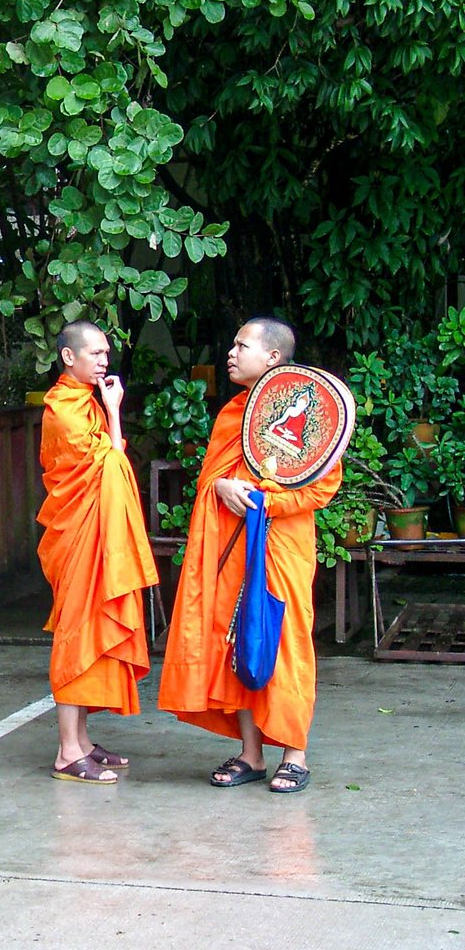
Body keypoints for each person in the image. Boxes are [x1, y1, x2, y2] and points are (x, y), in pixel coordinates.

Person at [158, 318, 341, 794]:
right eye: (233, 343)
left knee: (284, 640)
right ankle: (251, 753)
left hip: (281, 542)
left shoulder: (314, 405)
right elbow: (212, 480)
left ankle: (294, 753)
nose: (231, 353)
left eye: (242, 345)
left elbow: (321, 485)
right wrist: (220, 486)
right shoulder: (231, 414)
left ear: (273, 358)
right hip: (235, 543)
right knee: (235, 636)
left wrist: (264, 501)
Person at [36, 321, 156, 784]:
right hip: (77, 536)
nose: (105, 361)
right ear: (69, 358)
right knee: (76, 635)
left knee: (91, 633)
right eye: (96, 353)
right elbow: (112, 461)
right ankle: (67, 751)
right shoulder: (64, 410)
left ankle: (82, 740)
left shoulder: (83, 402)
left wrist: (105, 409)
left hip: (91, 533)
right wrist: (114, 410)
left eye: (107, 353)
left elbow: (109, 458)